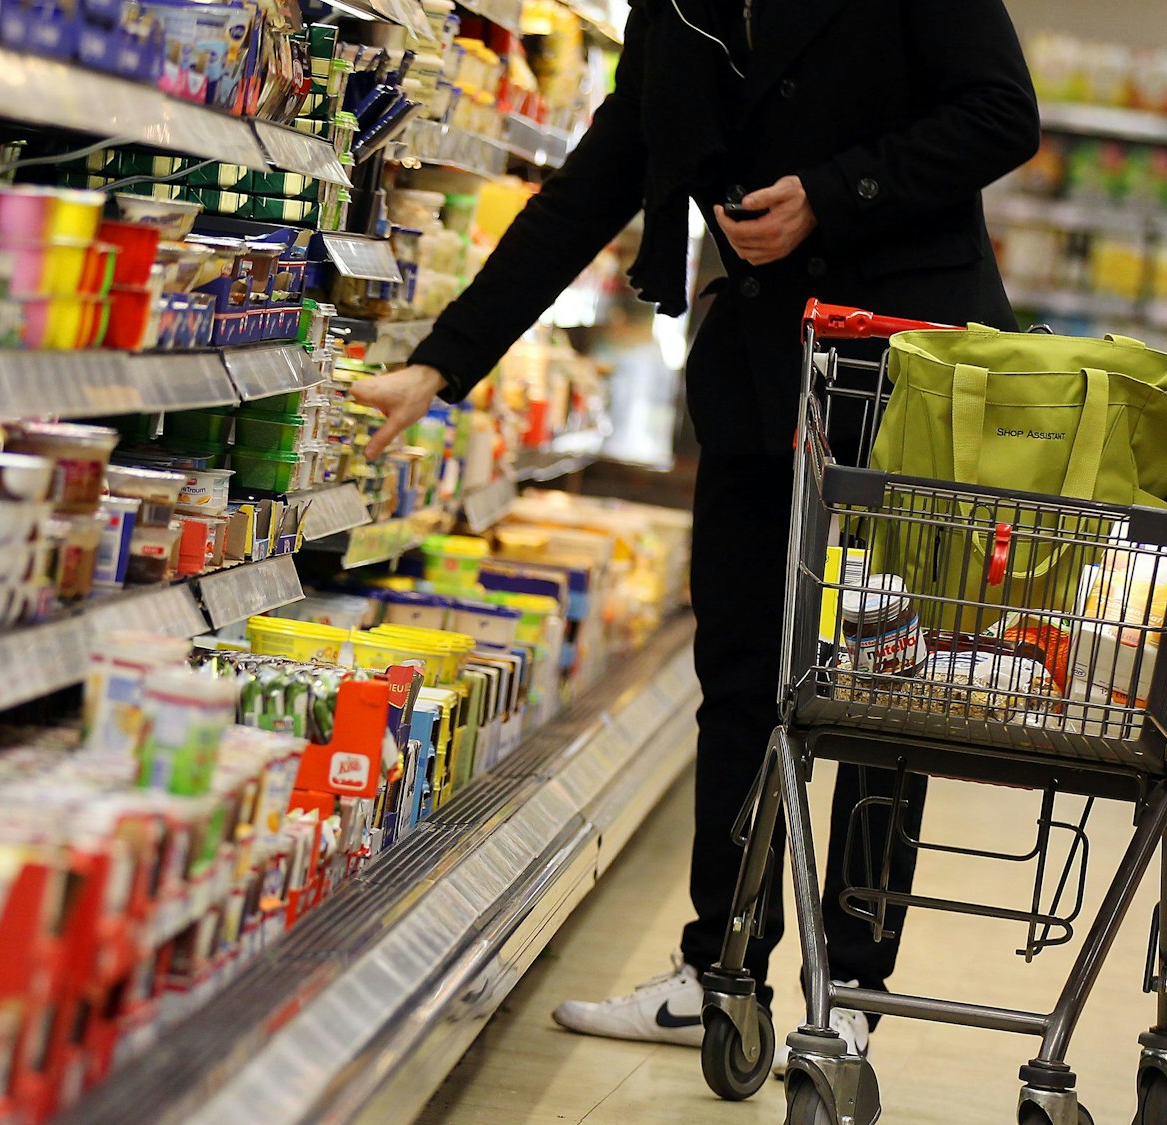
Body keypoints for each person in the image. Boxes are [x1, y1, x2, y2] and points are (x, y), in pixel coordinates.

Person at [350, 0, 1040, 1068]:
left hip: (908, 370)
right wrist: (443, 360)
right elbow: (597, 179)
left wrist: (827, 194)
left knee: (881, 688)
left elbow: (1000, 114)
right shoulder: (677, 3)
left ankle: (852, 983)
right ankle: (718, 970)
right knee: (737, 678)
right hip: (761, 375)